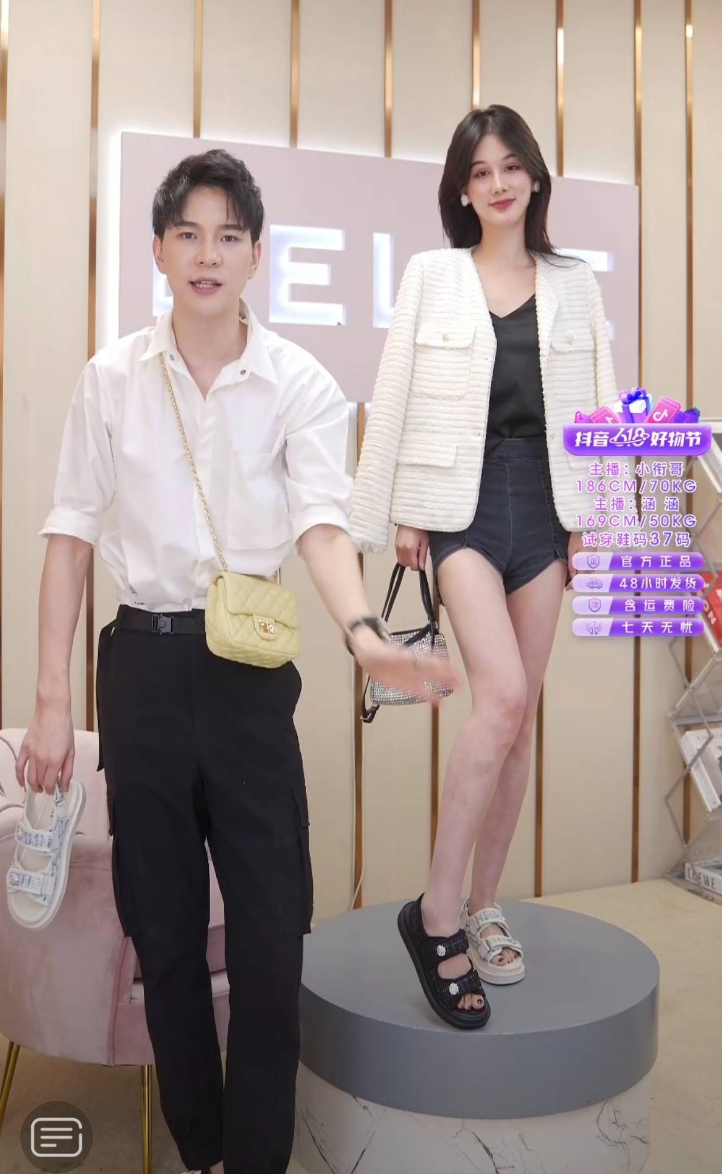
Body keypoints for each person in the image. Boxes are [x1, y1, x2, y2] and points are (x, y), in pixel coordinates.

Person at [15, 149, 456, 1174]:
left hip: (248, 681)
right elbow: (69, 536)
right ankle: (202, 1149)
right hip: (142, 673)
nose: (207, 254)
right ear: (159, 251)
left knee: (269, 936)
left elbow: (319, 525)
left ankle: (256, 1156)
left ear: (257, 254)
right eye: (188, 234)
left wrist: (364, 634)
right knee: (165, 937)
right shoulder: (111, 378)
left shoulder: (299, 382)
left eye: (227, 236)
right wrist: (50, 701)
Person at [351, 105, 623, 1029]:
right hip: (461, 506)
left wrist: (594, 522)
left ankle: (486, 904)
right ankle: (435, 914)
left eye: (511, 167)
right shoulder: (433, 276)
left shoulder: (574, 283)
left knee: (520, 717)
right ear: (462, 190)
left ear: (535, 177)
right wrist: (401, 510)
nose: (498, 183)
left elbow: (599, 408)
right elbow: (395, 392)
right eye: (480, 171)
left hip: (547, 508)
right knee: (499, 696)